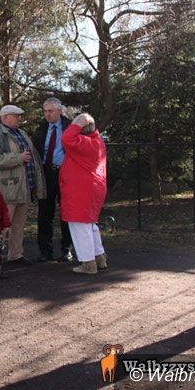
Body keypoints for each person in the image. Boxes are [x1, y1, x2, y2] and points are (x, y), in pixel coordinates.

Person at [0, 104, 46, 266]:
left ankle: (15, 255)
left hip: (24, 188)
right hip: (8, 189)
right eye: (16, 115)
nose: (20, 118)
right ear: (5, 117)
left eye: (20, 115)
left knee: (18, 225)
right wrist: (18, 158)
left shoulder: (21, 133)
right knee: (2, 225)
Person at [60, 113, 108, 275]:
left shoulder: (84, 142)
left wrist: (77, 123)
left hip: (80, 190)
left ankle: (88, 263)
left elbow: (66, 138)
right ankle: (99, 257)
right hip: (92, 189)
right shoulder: (97, 141)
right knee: (90, 225)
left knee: (80, 226)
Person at [32, 97, 73, 262]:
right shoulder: (41, 129)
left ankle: (67, 249)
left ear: (59, 111)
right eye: (45, 111)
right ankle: (45, 251)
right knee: (44, 214)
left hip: (66, 174)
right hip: (46, 174)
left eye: (51, 111)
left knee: (67, 212)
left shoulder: (70, 127)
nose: (47, 114)